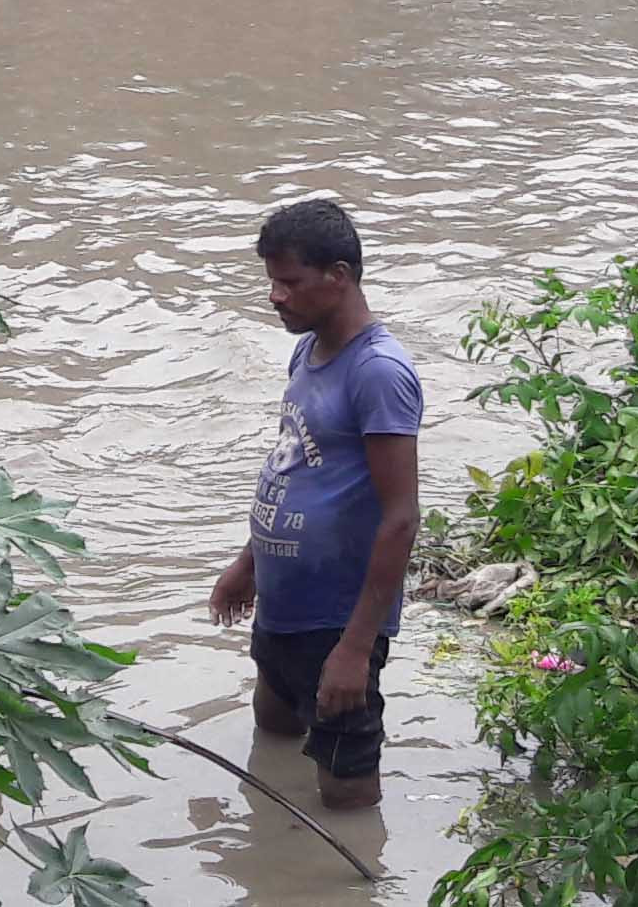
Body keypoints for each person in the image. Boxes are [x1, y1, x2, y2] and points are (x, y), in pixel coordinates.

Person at [208, 197, 422, 814]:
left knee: (347, 795)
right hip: (281, 602)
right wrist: (249, 563)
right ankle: (272, 850)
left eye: (290, 281)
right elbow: (294, 463)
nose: (275, 295)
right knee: (272, 735)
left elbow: (401, 517)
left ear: (339, 276)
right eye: (271, 280)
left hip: (335, 618)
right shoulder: (309, 350)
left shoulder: (378, 372)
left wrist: (354, 650)